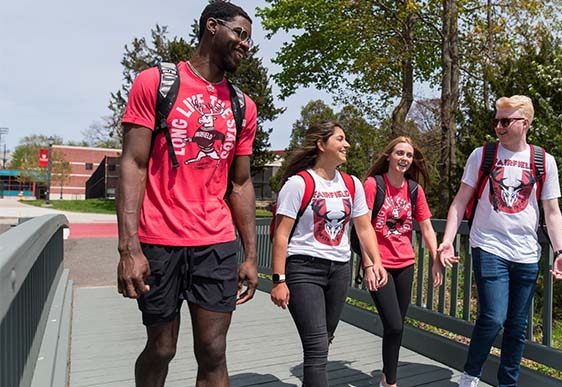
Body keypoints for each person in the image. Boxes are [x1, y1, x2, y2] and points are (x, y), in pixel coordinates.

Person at [116, 2, 258, 386]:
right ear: (212, 26)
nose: (246, 44)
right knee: (162, 348)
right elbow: (132, 164)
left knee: (213, 350)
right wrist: (129, 250)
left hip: (215, 242)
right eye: (240, 33)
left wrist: (249, 254)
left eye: (249, 38)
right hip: (159, 240)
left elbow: (241, 183)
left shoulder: (243, 106)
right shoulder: (155, 83)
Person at [437, 95, 562, 387]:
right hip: (488, 245)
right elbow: (459, 202)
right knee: (493, 317)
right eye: (496, 120)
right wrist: (448, 240)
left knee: (517, 325)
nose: (498, 126)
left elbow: (552, 212)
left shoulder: (543, 161)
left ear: (524, 123)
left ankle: (507, 383)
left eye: (505, 121)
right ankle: (471, 375)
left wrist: (561, 251)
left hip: (527, 252)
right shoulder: (482, 155)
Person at [270, 121, 388, 387]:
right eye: (340, 139)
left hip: (339, 270)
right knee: (316, 346)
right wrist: (278, 280)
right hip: (303, 268)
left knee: (325, 339)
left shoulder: (352, 184)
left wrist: (375, 262)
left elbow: (364, 226)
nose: (347, 145)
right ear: (322, 145)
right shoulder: (298, 184)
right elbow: (280, 235)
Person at [361, 136, 444, 387]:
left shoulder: (413, 190)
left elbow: (427, 228)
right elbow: (361, 227)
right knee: (394, 325)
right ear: (388, 156)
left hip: (406, 264)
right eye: (399, 153)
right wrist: (368, 265)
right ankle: (392, 382)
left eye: (408, 155)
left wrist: (436, 258)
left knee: (396, 327)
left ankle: (388, 379)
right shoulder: (373, 185)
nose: (404, 159)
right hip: (380, 265)